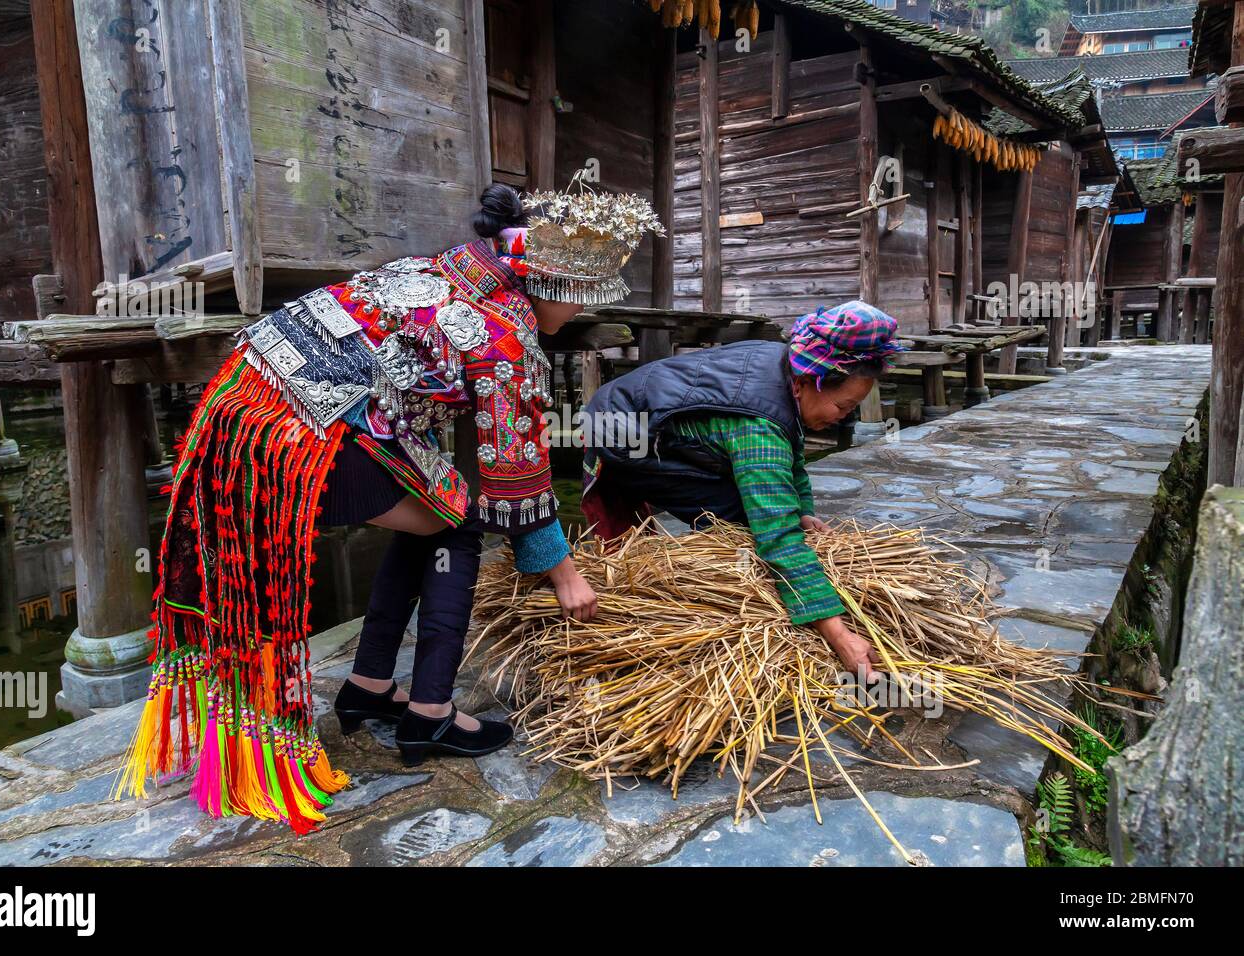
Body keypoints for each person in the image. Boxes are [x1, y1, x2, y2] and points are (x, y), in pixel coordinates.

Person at [116, 182, 661, 832]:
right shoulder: (506, 332)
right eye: (582, 298)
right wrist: (564, 574)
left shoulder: (456, 267)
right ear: (557, 281)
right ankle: (429, 712)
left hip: (241, 405)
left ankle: (371, 685)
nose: (577, 315)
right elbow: (517, 470)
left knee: (440, 504)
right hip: (296, 433)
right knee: (459, 521)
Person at [581, 302, 904, 680]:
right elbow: (777, 534)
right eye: (842, 405)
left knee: (766, 506)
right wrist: (838, 634)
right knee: (740, 518)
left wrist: (802, 511)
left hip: (648, 411)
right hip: (622, 431)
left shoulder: (789, 368)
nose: (844, 416)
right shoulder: (758, 427)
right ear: (803, 385)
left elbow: (792, 448)